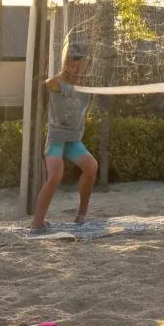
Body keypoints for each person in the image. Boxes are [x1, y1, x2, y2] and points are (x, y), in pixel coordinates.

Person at [31, 39, 98, 231]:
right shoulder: (55, 83)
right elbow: (48, 82)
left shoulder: (87, 86)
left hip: (73, 140)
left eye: (78, 60)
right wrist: (60, 72)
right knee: (55, 176)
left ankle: (81, 215)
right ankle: (37, 223)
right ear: (64, 62)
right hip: (57, 139)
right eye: (70, 60)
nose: (75, 65)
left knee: (91, 167)